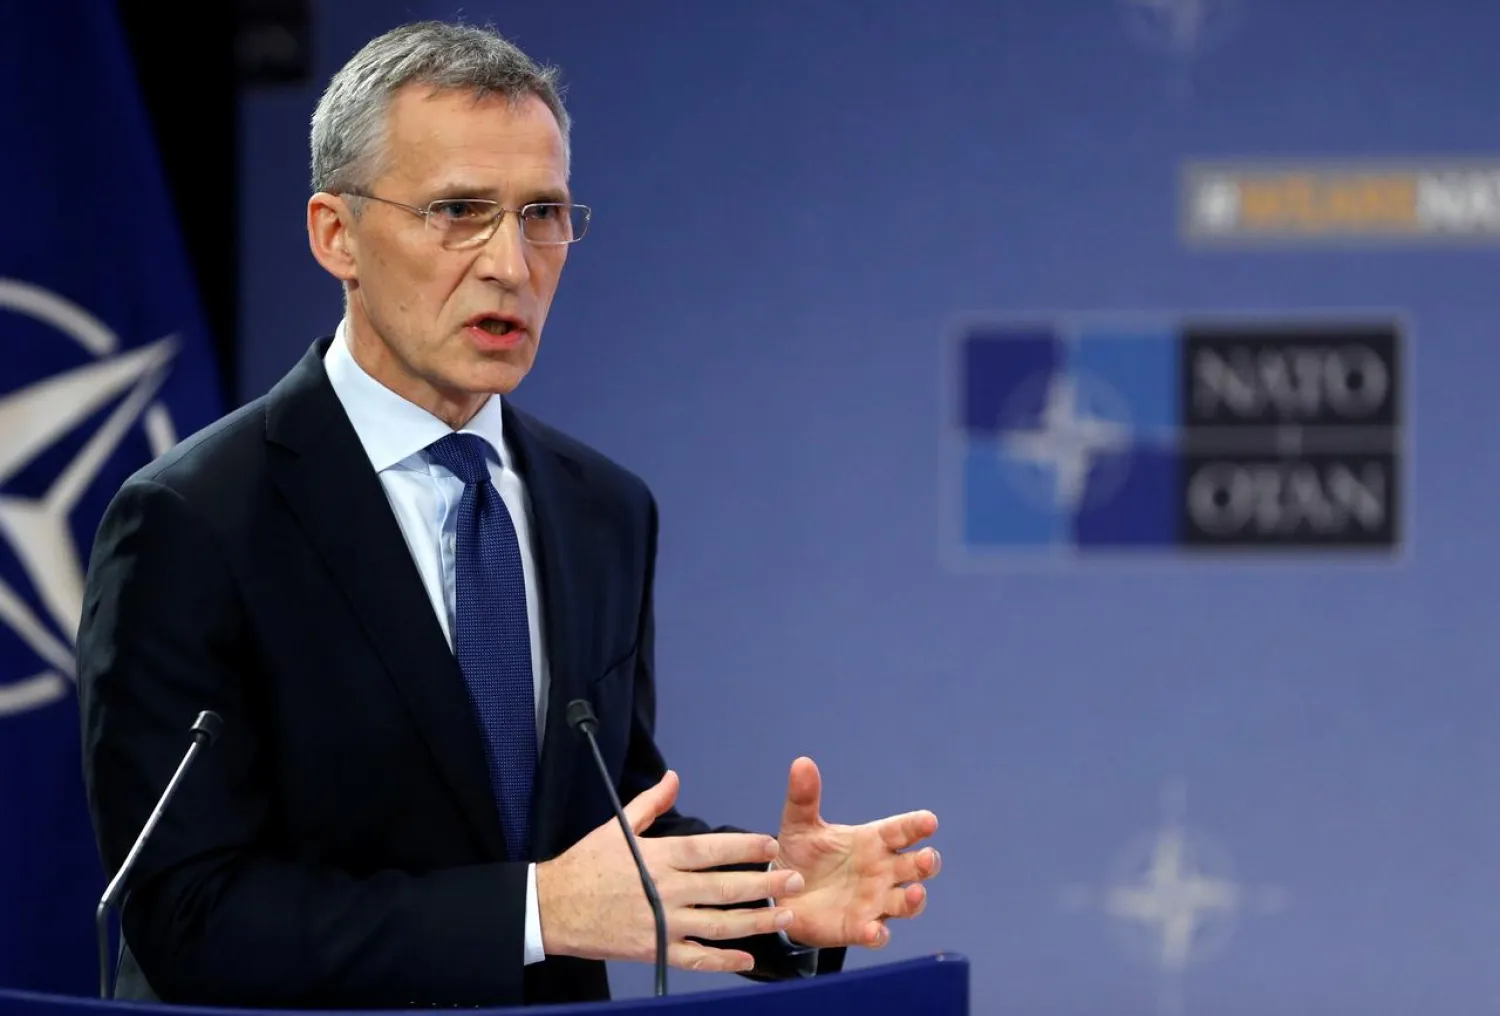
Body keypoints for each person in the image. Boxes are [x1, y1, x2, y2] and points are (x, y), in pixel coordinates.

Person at [76, 19, 941, 1009]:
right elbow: (187, 912)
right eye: (458, 210)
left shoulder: (603, 508)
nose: (511, 263)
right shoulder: (196, 520)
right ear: (335, 234)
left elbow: (598, 820)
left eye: (543, 213)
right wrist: (534, 912)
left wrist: (774, 898)